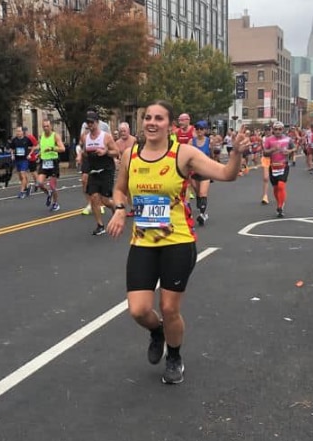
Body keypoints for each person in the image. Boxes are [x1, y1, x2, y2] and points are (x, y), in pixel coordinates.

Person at [107, 100, 251, 384]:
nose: (151, 122)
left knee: (170, 307)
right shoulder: (130, 155)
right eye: (147, 117)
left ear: (170, 125)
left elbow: (226, 174)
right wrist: (120, 210)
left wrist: (235, 153)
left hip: (178, 241)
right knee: (138, 310)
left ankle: (174, 356)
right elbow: (120, 189)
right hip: (143, 243)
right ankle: (158, 331)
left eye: (159, 118)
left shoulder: (183, 154)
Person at [80, 110, 118, 235]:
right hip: (94, 171)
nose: (89, 125)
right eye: (88, 122)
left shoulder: (106, 136)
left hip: (106, 170)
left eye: (91, 122)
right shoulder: (85, 137)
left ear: (97, 123)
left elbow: (116, 152)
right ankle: (100, 225)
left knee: (105, 200)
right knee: (94, 197)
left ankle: (114, 208)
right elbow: (85, 152)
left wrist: (105, 152)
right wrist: (83, 154)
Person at [263, 121, 297, 218]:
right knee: (276, 188)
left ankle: (280, 207)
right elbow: (265, 153)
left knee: (281, 186)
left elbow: (295, 148)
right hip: (273, 165)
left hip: (284, 165)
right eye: (276, 129)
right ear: (273, 130)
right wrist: (273, 150)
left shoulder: (288, 139)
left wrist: (289, 151)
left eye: (280, 129)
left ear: (283, 130)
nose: (278, 131)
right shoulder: (269, 140)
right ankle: (280, 203)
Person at [32, 119, 66, 212]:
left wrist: (52, 148)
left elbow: (62, 149)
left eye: (47, 126)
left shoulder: (55, 136)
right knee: (39, 183)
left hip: (53, 162)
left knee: (52, 185)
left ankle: (55, 203)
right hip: (44, 162)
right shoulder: (42, 136)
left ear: (51, 126)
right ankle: (48, 193)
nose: (46, 128)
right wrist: (39, 154)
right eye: (44, 126)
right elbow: (42, 148)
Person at [190, 121, 212, 226]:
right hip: (194, 171)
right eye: (197, 129)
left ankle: (203, 215)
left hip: (205, 171)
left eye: (201, 129)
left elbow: (213, 156)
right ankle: (199, 202)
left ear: (205, 130)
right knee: (197, 192)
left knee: (203, 193)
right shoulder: (191, 142)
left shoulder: (209, 141)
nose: (199, 131)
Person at [9, 126, 33, 198]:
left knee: (22, 174)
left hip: (24, 159)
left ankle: (22, 192)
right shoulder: (14, 140)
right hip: (17, 159)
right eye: (17, 131)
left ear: (22, 132)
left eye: (19, 131)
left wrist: (30, 154)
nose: (18, 133)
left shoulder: (26, 139)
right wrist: (12, 155)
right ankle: (27, 187)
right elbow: (12, 148)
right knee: (21, 176)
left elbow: (34, 146)